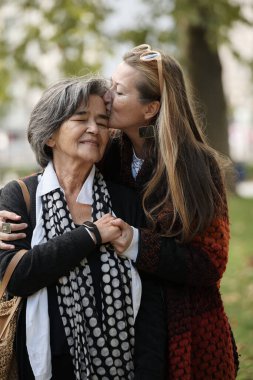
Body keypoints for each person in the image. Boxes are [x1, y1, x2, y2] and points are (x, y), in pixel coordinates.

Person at [0, 44, 239, 379]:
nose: (107, 99)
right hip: (82, 343)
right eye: (110, 85)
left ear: (150, 108)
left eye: (119, 91)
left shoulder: (195, 167)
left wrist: (135, 241)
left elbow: (210, 262)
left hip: (184, 326)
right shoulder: (109, 155)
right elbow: (57, 175)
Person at [0, 75, 167, 380]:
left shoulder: (125, 201)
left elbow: (151, 306)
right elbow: (17, 276)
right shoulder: (20, 196)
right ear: (50, 135)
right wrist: (90, 234)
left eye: (103, 121)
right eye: (81, 119)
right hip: (43, 368)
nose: (95, 129)